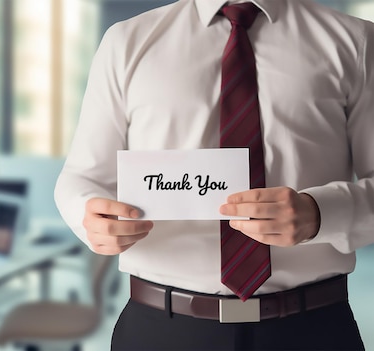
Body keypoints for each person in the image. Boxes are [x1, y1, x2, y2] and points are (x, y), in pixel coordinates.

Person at [54, 0, 374, 350]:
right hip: (161, 331)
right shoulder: (127, 42)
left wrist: (320, 213)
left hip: (312, 330)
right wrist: (89, 216)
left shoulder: (355, 41)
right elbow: (81, 177)